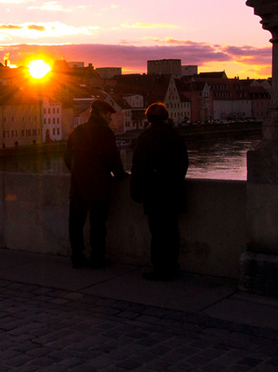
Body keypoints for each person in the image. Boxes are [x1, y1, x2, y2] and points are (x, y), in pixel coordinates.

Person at [130, 102, 189, 280]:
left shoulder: (146, 137)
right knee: (172, 231)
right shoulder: (176, 136)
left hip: (154, 193)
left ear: (148, 118)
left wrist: (136, 192)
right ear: (166, 117)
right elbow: (184, 164)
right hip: (173, 192)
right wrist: (175, 180)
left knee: (157, 232)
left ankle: (160, 268)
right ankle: (173, 266)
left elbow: (138, 167)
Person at [64, 99, 126, 268]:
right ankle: (97, 258)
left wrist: (78, 172)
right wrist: (121, 176)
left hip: (78, 185)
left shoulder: (78, 130)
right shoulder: (105, 132)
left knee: (76, 223)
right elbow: (113, 159)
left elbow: (67, 158)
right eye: (109, 115)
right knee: (97, 224)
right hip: (99, 186)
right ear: (100, 113)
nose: (111, 119)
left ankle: (77, 256)